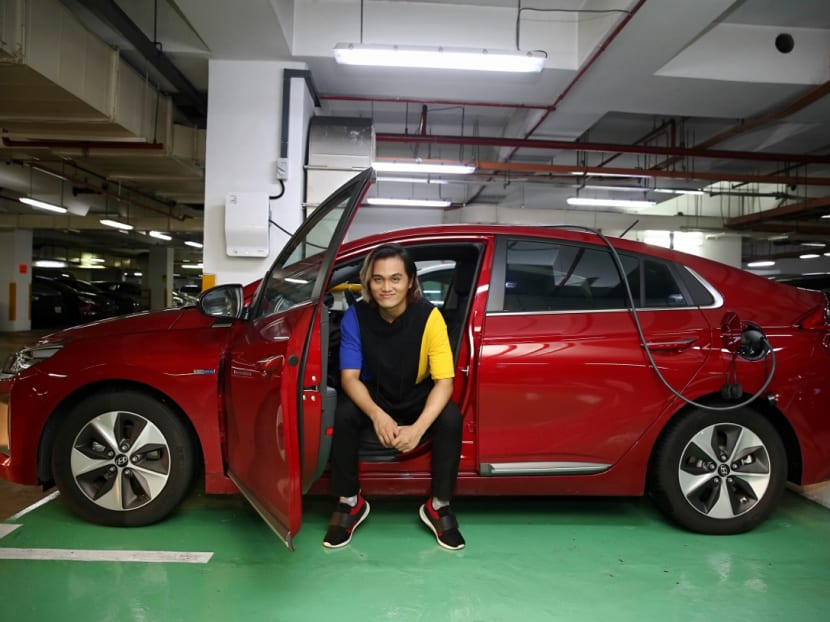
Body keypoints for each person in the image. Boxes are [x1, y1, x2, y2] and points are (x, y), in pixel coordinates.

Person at [323, 243, 465, 550]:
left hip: (416, 393)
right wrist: (376, 414)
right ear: (368, 282)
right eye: (378, 279)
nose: (387, 287)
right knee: (343, 413)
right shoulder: (355, 318)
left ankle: (438, 505)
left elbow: (444, 383)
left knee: (450, 417)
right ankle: (349, 500)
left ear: (411, 281)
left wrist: (417, 428)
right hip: (375, 394)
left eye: (395, 278)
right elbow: (349, 378)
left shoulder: (431, 318)